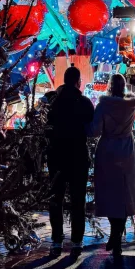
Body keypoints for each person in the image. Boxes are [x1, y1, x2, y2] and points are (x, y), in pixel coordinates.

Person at [90, 73, 135, 257]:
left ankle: (114, 234)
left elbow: (94, 131)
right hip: (126, 150)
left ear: (109, 86)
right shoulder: (132, 104)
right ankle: (117, 236)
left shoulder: (103, 106)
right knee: (125, 192)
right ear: (124, 86)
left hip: (107, 150)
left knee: (110, 192)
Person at [46, 65, 95, 257]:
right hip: (77, 155)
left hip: (56, 155)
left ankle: (56, 240)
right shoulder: (83, 102)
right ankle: (76, 241)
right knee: (77, 200)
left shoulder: (51, 100)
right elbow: (91, 123)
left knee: (55, 199)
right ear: (78, 82)